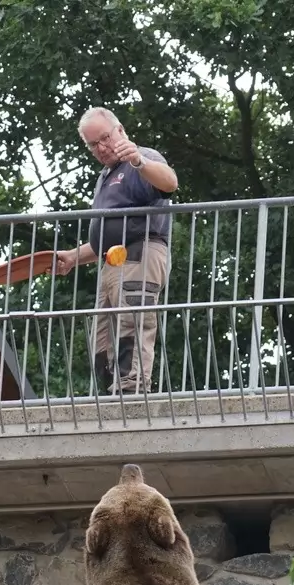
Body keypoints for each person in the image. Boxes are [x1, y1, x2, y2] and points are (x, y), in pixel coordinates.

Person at [54, 107, 178, 394]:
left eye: (105, 138)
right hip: (113, 261)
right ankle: (110, 395)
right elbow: (106, 237)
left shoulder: (142, 158)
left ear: (120, 130)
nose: (101, 148)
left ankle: (132, 394)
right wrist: (74, 256)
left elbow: (170, 183)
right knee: (103, 339)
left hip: (139, 254)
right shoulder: (106, 175)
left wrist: (138, 160)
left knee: (131, 327)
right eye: (92, 144)